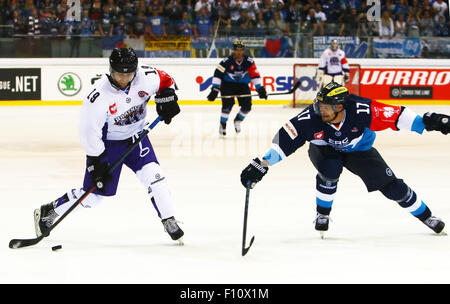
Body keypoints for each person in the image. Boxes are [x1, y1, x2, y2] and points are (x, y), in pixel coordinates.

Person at [241, 82, 449, 238]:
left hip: (359, 149)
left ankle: (427, 216)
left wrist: (428, 122)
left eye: (325, 107)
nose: (320, 109)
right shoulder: (310, 119)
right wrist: (262, 164)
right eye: (319, 104)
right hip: (324, 149)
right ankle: (323, 214)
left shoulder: (362, 110)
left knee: (394, 189)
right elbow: (285, 142)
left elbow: (397, 116)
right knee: (330, 170)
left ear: (340, 107)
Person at [33, 48, 184, 244]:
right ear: (111, 70)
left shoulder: (146, 76)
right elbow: (88, 131)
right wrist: (96, 161)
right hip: (107, 146)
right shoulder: (98, 95)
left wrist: (168, 97)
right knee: (94, 197)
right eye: (119, 73)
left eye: (129, 73)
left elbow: (166, 80)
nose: (124, 78)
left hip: (136, 137)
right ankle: (50, 211)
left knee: (156, 177)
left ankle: (168, 218)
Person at [206, 40, 267, 136]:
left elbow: (255, 75)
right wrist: (215, 89)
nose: (239, 52)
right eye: (237, 50)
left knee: (247, 107)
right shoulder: (225, 62)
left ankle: (238, 120)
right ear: (233, 50)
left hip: (243, 85)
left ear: (243, 50)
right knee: (227, 107)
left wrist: (260, 89)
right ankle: (223, 124)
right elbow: (218, 75)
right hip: (227, 85)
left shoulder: (249, 62)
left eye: (241, 50)